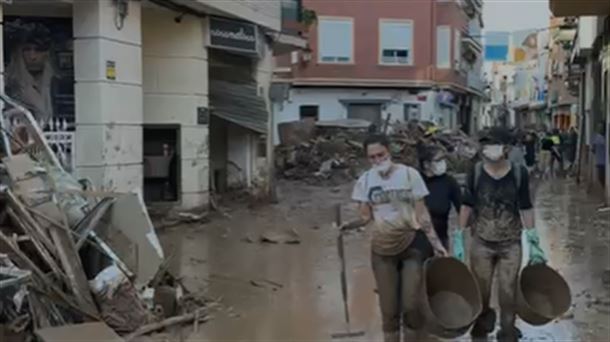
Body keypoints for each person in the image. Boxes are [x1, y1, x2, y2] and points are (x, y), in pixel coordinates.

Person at [341, 134, 448, 342]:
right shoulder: (365, 181)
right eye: (372, 157)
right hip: (382, 249)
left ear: (389, 152)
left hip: (412, 243)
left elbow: (421, 214)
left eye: (380, 154)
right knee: (389, 310)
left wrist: (436, 244)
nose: (377, 160)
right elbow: (364, 217)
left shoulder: (410, 176)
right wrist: (348, 225)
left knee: (411, 305)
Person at [452, 126, 546, 342]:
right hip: (481, 243)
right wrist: (458, 235)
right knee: (481, 292)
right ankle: (482, 326)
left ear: (506, 148)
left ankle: (507, 331)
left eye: (493, 145)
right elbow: (467, 205)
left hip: (511, 243)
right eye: (485, 145)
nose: (489, 150)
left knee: (508, 292)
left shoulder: (518, 173)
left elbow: (525, 206)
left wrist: (532, 238)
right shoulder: (475, 172)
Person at [419, 145, 461, 248]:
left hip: (441, 237)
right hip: (417, 240)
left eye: (443, 159)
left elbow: (462, 207)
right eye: (438, 160)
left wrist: (459, 236)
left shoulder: (449, 182)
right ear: (426, 164)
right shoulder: (416, 180)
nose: (443, 162)